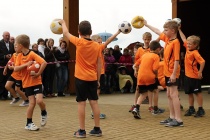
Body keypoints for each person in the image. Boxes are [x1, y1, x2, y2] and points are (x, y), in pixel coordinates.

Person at [59, 19, 121, 138]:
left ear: (79, 32)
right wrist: (97, 80)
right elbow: (99, 64)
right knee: (94, 102)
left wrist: (63, 23)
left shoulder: (79, 42)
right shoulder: (97, 46)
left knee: (82, 103)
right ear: (91, 31)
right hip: (92, 77)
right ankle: (97, 129)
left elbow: (66, 33)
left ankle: (82, 131)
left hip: (80, 78)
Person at [144, 19, 183, 127]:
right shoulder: (168, 39)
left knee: (174, 95)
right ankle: (172, 117)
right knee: (169, 94)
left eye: (166, 30)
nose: (164, 31)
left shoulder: (175, 42)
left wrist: (174, 74)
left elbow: (176, 59)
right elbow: (157, 31)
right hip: (166, 72)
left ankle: (179, 120)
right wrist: (147, 24)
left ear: (173, 30)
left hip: (172, 72)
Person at [14, 34, 47, 131]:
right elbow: (16, 69)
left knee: (39, 101)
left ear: (21, 46)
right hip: (27, 83)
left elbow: (44, 63)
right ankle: (28, 123)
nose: (15, 46)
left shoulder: (32, 54)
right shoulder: (18, 56)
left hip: (36, 81)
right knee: (32, 103)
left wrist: (38, 74)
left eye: (16, 45)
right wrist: (26, 65)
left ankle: (44, 112)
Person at [132, 40, 163, 119]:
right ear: (157, 49)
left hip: (141, 77)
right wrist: (156, 77)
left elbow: (135, 65)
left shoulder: (144, 55)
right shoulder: (156, 56)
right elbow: (155, 69)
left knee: (143, 94)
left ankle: (136, 108)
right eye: (159, 49)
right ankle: (155, 109)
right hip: (150, 76)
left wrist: (136, 71)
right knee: (155, 90)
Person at [178, 28, 205, 117]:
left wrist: (200, 72)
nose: (188, 45)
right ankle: (191, 108)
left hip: (194, 76)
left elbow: (202, 62)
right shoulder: (188, 49)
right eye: (188, 44)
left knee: (197, 93)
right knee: (189, 93)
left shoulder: (195, 53)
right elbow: (183, 38)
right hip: (187, 76)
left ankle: (201, 109)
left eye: (190, 44)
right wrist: (179, 29)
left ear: (195, 45)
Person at [129, 32, 152, 113]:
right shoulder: (139, 49)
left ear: (150, 40)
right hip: (140, 71)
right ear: (143, 39)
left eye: (148, 39)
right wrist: (135, 70)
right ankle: (135, 104)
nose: (147, 41)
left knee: (150, 89)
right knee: (138, 88)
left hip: (149, 71)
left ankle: (150, 106)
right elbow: (136, 61)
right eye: (145, 39)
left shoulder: (151, 49)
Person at [90, 34, 106, 119]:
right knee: (95, 94)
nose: (101, 44)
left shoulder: (100, 51)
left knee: (97, 94)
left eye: (101, 42)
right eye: (98, 42)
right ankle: (94, 112)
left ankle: (94, 111)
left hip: (101, 73)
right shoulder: (95, 51)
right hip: (96, 74)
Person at [0, 31, 15, 100]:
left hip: (10, 65)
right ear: (2, 36)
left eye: (8, 35)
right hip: (2, 65)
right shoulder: (0, 43)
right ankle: (1, 95)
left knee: (7, 80)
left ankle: (6, 95)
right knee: (1, 80)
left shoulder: (12, 44)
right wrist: (4, 56)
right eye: (6, 35)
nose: (7, 37)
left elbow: (14, 53)